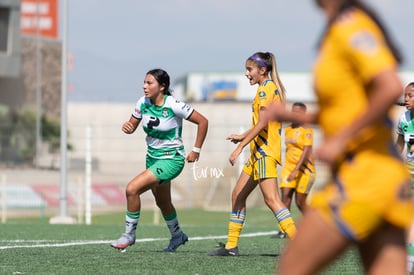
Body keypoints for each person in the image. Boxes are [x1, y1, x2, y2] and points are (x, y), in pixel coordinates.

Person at [267, 1, 414, 274]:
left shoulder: (351, 24)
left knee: (291, 268)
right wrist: (301, 117)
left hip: (364, 178)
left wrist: (341, 139)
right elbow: (349, 108)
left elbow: (390, 86)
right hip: (382, 179)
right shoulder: (338, 28)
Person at [208, 52, 297, 257]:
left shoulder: (267, 90)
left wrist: (240, 147)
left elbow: (264, 122)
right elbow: (260, 124)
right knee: (237, 195)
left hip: (265, 152)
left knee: (272, 199)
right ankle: (231, 246)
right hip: (257, 153)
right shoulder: (265, 89)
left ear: (262, 70)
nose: (246, 73)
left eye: (249, 70)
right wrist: (243, 136)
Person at [111, 68, 208, 252]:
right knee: (162, 202)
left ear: (162, 87)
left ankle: (129, 235)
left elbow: (203, 121)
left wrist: (196, 150)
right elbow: (133, 123)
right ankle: (178, 235)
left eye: (149, 83)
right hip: (152, 158)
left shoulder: (173, 104)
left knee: (132, 189)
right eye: (144, 82)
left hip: (172, 160)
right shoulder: (142, 102)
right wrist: (129, 126)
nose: (144, 86)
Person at [274, 102, 316, 239]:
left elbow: (306, 152)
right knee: (284, 198)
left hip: (305, 170)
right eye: (293, 111)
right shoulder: (288, 129)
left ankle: (314, 225)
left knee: (299, 202)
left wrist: (295, 170)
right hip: (288, 168)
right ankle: (283, 230)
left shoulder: (307, 131)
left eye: (298, 112)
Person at [395, 82, 414, 273]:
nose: (405, 99)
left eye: (410, 95)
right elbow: (399, 146)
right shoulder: (403, 118)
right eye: (405, 96)